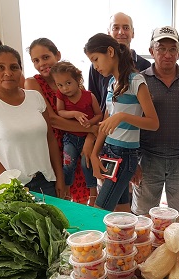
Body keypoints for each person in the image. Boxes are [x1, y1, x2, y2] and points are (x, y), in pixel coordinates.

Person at [0, 45, 65, 197]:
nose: (8, 73)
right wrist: (12, 186)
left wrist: (60, 178)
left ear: (20, 70)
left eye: (14, 67)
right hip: (9, 189)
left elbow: (50, 140)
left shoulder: (35, 97)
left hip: (46, 182)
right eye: (0, 67)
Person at [131, 26, 179, 223]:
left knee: (178, 217)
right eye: (161, 48)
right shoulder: (140, 81)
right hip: (147, 158)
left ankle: (173, 251)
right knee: (143, 216)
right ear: (152, 50)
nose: (167, 54)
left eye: (173, 49)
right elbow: (131, 123)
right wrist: (132, 161)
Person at [84, 33, 159, 212]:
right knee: (122, 209)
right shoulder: (112, 82)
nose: (95, 67)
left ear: (110, 52)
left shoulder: (136, 81)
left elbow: (153, 123)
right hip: (109, 150)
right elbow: (105, 122)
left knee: (100, 210)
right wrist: (94, 154)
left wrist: (122, 116)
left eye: (96, 59)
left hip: (124, 154)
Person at [25, 38, 98, 204]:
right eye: (36, 60)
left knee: (82, 197)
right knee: (59, 199)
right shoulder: (32, 83)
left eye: (45, 57)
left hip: (77, 144)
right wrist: (91, 130)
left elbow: (89, 114)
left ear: (57, 55)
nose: (41, 63)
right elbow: (52, 120)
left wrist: (89, 138)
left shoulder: (71, 81)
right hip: (51, 148)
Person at [50, 61, 101, 203]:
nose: (64, 88)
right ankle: (66, 193)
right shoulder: (61, 96)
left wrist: (90, 123)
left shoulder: (88, 96)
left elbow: (99, 115)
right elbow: (60, 112)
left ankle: (93, 194)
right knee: (68, 164)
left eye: (68, 83)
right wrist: (75, 113)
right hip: (70, 138)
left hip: (87, 139)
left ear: (77, 80)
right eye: (60, 85)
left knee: (87, 164)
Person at [88, 12, 151, 114]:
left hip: (134, 128)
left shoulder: (145, 66)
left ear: (133, 32)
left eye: (126, 28)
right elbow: (93, 101)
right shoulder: (97, 67)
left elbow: (147, 109)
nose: (121, 32)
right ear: (108, 33)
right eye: (115, 28)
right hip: (106, 127)